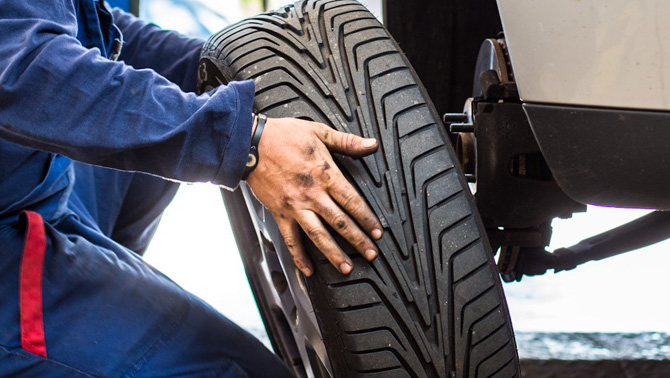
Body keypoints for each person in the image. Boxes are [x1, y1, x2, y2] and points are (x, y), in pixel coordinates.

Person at [0, 0, 383, 376]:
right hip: (8, 260)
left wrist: (243, 72)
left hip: (35, 188)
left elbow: (83, 25)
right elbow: (30, 73)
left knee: (162, 111)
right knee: (244, 371)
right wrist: (244, 141)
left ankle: (105, 292)